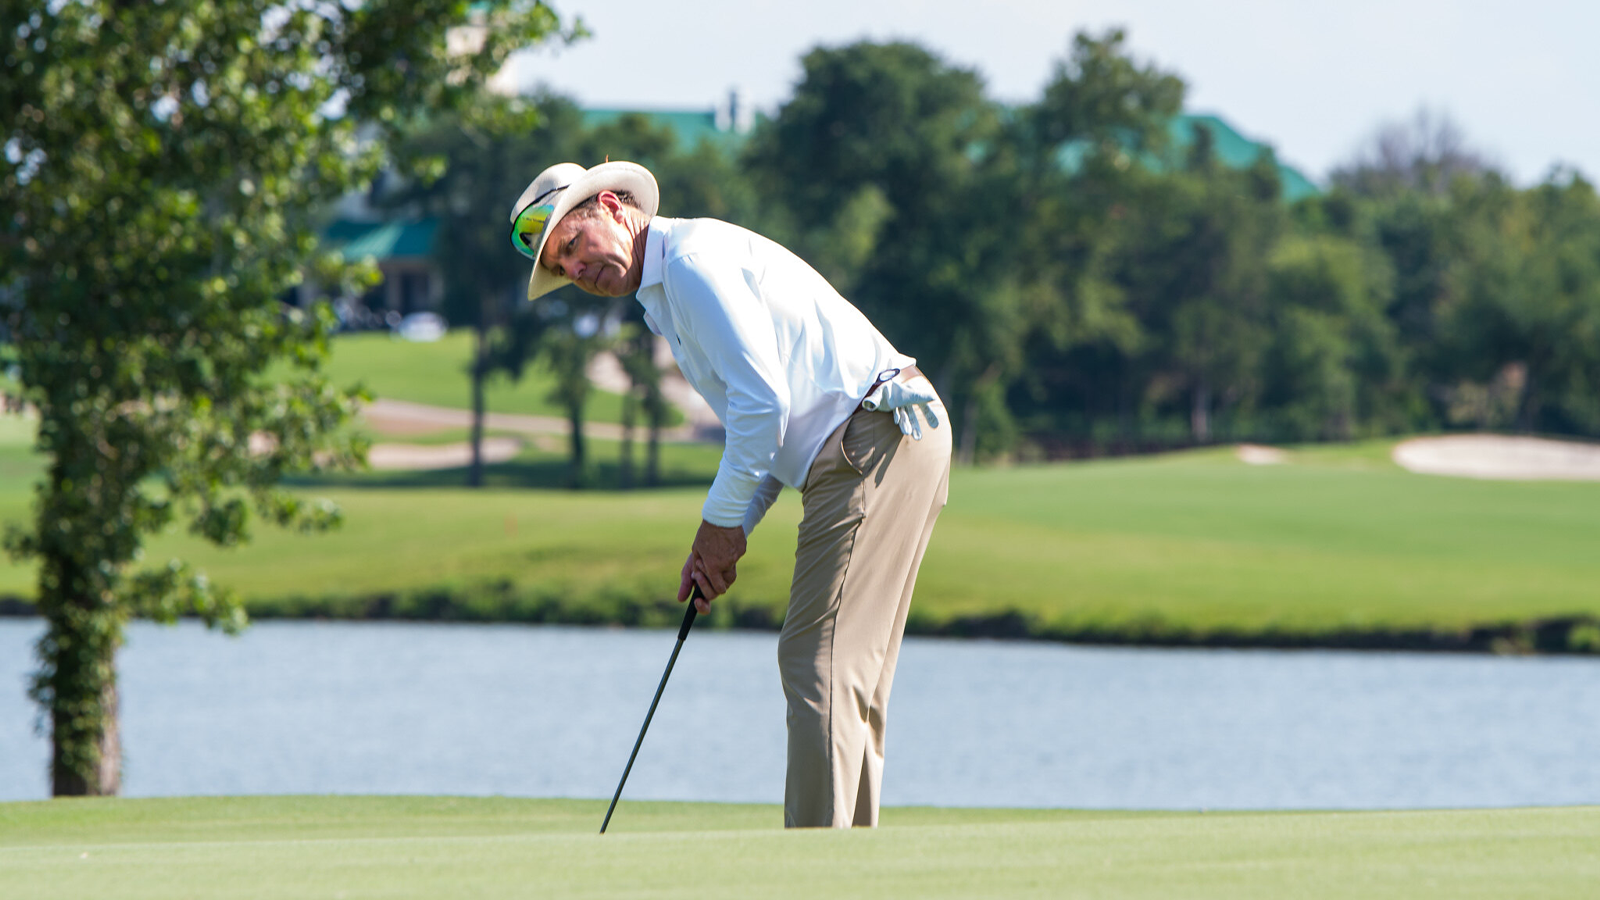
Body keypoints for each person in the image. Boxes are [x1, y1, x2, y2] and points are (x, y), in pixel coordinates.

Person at [508, 161, 951, 828]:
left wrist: (719, 529)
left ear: (610, 205)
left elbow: (762, 407)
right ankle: (854, 868)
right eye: (564, 271)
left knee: (818, 662)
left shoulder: (690, 263)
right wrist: (725, 534)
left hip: (873, 433)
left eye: (572, 246)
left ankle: (816, 871)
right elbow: (769, 433)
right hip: (881, 437)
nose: (579, 273)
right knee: (850, 674)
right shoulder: (664, 295)